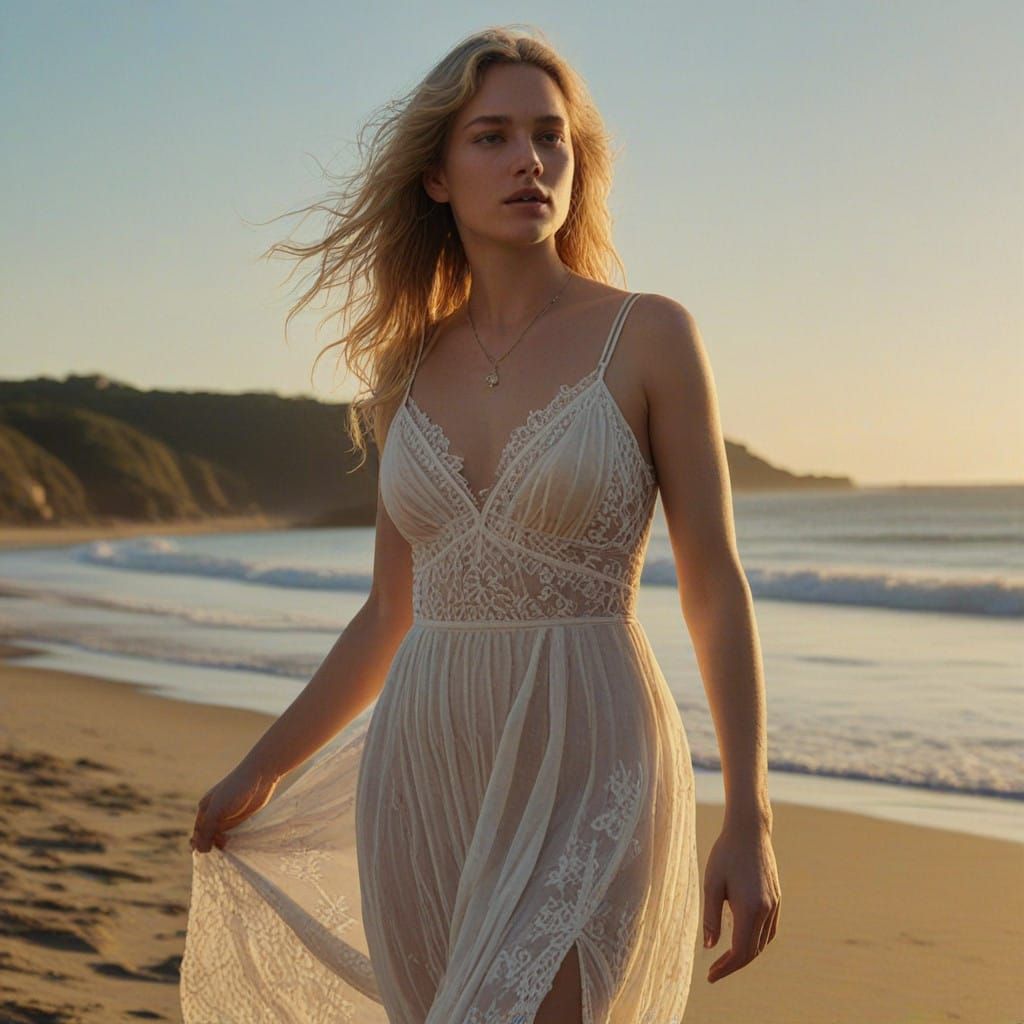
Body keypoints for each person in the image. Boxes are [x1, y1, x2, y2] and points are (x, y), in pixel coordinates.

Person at [181, 23, 780, 1024]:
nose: (529, 162)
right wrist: (261, 767)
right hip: (422, 763)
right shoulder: (405, 368)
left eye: (550, 137)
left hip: (591, 753)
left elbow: (713, 579)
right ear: (436, 176)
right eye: (492, 137)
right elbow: (387, 611)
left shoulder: (649, 335)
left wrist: (750, 817)